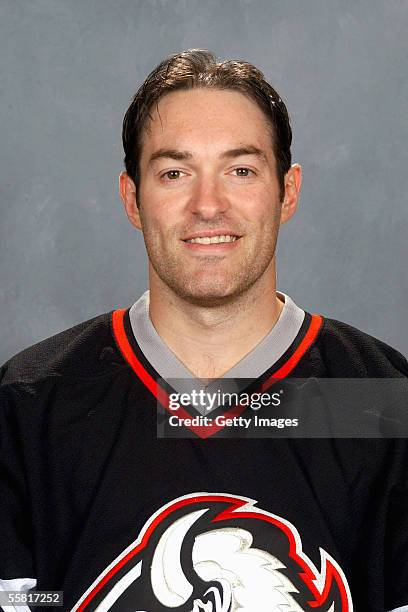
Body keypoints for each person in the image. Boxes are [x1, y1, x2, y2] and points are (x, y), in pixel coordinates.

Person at [0, 49, 407, 612]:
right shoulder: (30, 403)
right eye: (175, 173)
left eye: (240, 170)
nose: (207, 205)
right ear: (132, 199)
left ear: (287, 192)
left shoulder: (380, 401)